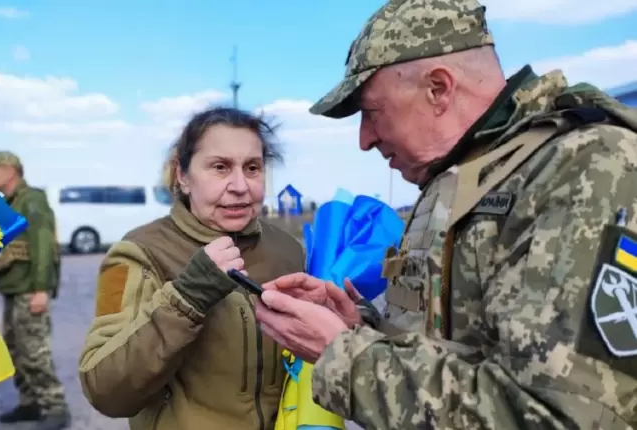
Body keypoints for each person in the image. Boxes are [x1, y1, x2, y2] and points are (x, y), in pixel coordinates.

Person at [253, 0, 637, 429]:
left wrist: (341, 353)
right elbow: (448, 343)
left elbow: (556, 417)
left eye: (372, 113)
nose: (364, 139)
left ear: (438, 88)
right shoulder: (456, 180)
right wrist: (358, 326)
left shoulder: (587, 168)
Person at [78, 107, 305, 430]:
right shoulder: (139, 253)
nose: (240, 185)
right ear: (183, 176)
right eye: (220, 167)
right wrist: (189, 296)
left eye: (252, 168)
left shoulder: (287, 250)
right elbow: (104, 388)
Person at [0, 151, 69, 430]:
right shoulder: (12, 202)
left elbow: (44, 245)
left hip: (30, 289)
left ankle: (55, 407)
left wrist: (42, 289)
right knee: (16, 350)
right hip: (13, 288)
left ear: (10, 170)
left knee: (34, 350)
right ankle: (30, 402)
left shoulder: (32, 200)